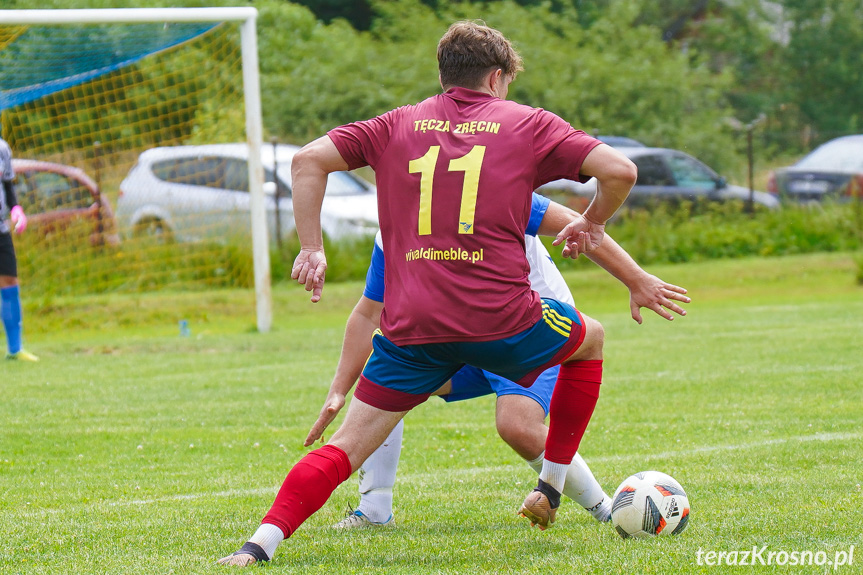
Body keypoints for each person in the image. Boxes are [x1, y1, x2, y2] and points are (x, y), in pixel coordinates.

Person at [219, 21, 652, 566]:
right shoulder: (528, 124)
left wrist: (312, 249)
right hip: (505, 320)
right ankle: (551, 485)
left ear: (445, 75)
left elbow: (307, 160)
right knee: (592, 339)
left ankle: (259, 545)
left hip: (412, 328)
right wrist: (593, 222)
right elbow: (620, 170)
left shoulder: (395, 124)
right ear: (497, 78)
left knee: (346, 447)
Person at [319, 195, 689, 530]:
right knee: (387, 386)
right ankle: (375, 509)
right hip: (465, 341)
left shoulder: (498, 192)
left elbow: (578, 223)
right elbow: (369, 311)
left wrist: (635, 278)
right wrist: (339, 390)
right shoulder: (397, 222)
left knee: (517, 426)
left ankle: (605, 510)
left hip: (530, 335)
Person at [0, 137, 38, 362]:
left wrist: (16, 209)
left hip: (1, 229)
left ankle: (15, 349)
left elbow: (7, 184)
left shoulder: (2, 148)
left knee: (10, 282)